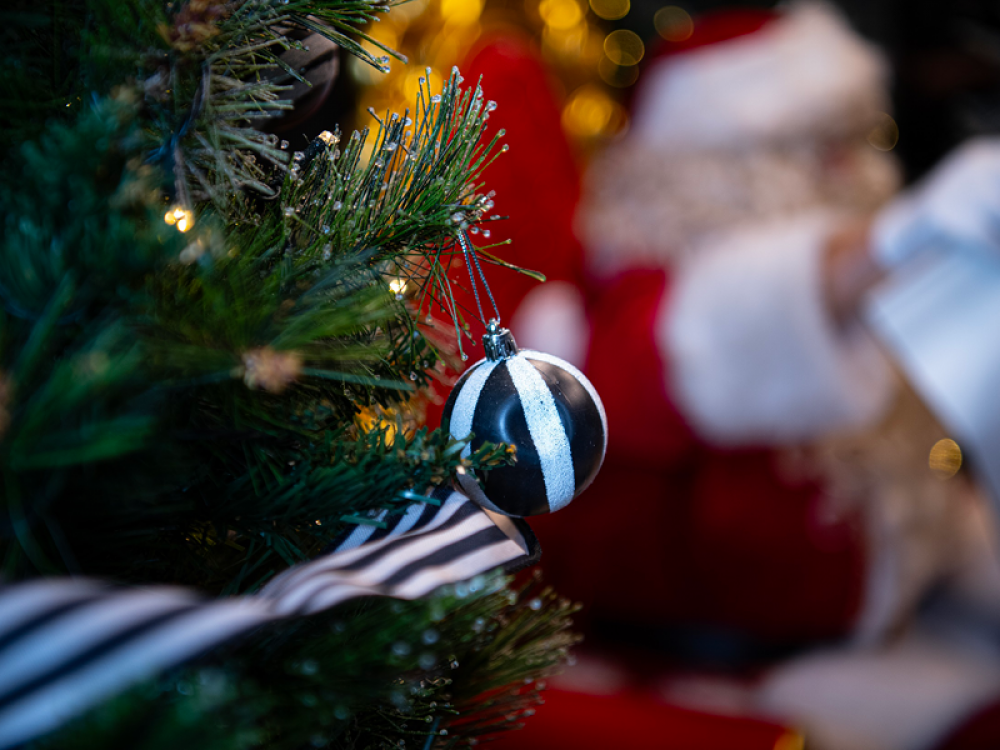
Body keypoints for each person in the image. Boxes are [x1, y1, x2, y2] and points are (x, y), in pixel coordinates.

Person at [458, 3, 1000, 748]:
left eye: (850, 138)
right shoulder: (615, 310)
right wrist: (880, 247)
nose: (848, 168)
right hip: (731, 688)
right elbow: (685, 347)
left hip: (901, 625)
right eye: (808, 146)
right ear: (708, 165)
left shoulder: (871, 303)